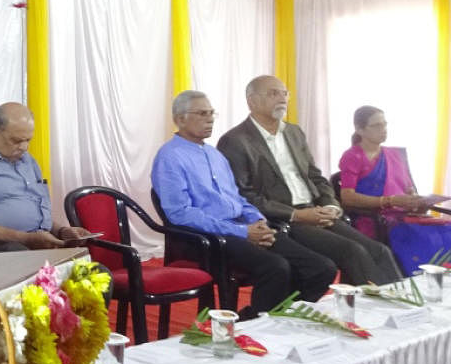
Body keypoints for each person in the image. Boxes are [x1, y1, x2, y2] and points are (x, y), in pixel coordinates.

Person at [153, 91, 336, 316]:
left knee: (321, 267)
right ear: (180, 119)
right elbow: (180, 213)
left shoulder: (215, 155)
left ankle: (273, 316)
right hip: (205, 239)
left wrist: (259, 222)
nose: (209, 119)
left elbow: (238, 199)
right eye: (202, 113)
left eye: (211, 113)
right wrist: (242, 231)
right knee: (276, 267)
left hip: (241, 227)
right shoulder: (170, 156)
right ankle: (258, 324)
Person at [216, 75, 401, 285]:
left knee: (379, 250)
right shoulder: (235, 141)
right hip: (283, 219)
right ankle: (380, 312)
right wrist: (297, 214)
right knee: (353, 251)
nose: (282, 98)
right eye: (273, 93)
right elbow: (244, 195)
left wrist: (330, 204)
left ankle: (405, 307)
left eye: (284, 93)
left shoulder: (294, 132)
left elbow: (315, 176)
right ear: (252, 101)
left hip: (316, 211)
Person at [0, 102, 91, 250]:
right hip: (1, 250)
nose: (24, 147)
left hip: (38, 244)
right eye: (16, 140)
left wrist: (62, 231)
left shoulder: (28, 160)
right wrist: (26, 239)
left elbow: (34, 212)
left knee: (94, 269)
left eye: (28, 140)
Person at [338, 105, 451, 275]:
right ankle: (416, 285)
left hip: (405, 215)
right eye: (377, 126)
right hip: (375, 219)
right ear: (359, 129)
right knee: (425, 238)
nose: (383, 130)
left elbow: (407, 189)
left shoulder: (394, 155)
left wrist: (416, 201)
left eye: (385, 124)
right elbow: (347, 197)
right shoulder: (353, 156)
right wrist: (388, 201)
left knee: (446, 231)